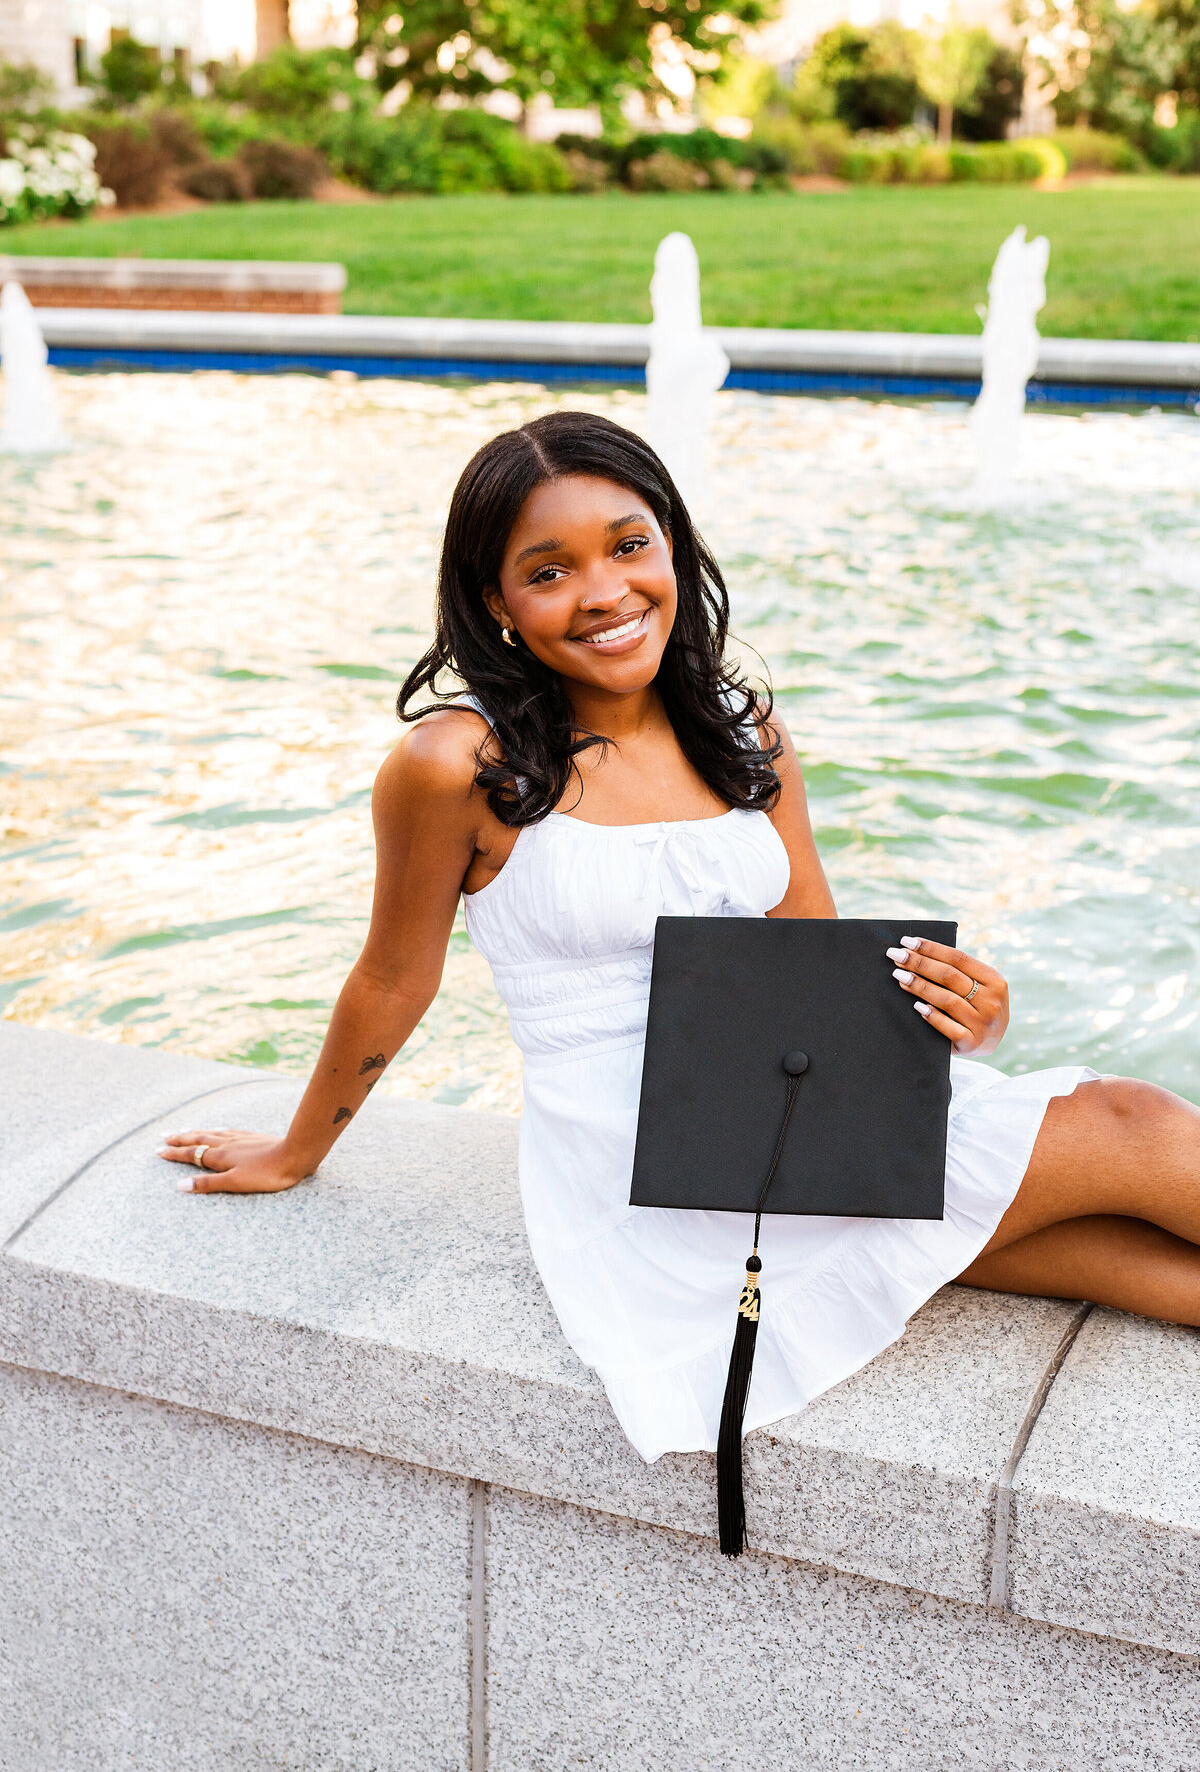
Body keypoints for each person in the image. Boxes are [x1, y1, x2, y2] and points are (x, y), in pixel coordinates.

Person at [160, 411, 1200, 1463]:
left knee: (1104, 1253)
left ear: (672, 543)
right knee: (1132, 1119)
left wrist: (964, 1019)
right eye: (550, 570)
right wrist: (297, 1151)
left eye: (628, 545)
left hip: (787, 1103)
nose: (606, 592)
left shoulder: (744, 732)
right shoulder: (456, 763)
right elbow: (392, 979)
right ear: (497, 603)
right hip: (639, 1156)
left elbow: (812, 963)